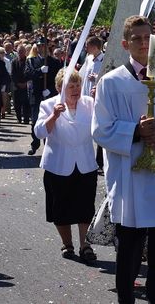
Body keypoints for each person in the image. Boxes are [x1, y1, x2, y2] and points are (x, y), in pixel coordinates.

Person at [92, 15, 155, 304]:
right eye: (136, 38)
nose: (142, 42)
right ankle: (126, 298)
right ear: (125, 43)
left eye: (147, 37)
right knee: (129, 250)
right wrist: (135, 132)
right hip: (130, 179)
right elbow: (100, 129)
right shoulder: (111, 83)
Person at [34, 68, 98, 263]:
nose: (76, 89)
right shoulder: (48, 104)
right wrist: (53, 116)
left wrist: (101, 98)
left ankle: (85, 245)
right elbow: (39, 132)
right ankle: (67, 243)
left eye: (78, 85)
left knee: (85, 207)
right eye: (71, 86)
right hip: (58, 165)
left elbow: (103, 121)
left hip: (86, 163)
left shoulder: (89, 103)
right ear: (59, 88)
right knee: (60, 207)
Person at [24, 37, 62, 155]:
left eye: (43, 46)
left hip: (49, 95)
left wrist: (50, 90)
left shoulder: (55, 62)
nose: (41, 48)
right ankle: (35, 144)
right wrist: (40, 71)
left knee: (49, 120)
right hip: (36, 95)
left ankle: (48, 146)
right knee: (35, 121)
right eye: (39, 46)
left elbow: (59, 79)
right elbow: (27, 74)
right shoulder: (31, 61)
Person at [11, 44, 30, 124]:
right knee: (17, 103)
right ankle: (19, 118)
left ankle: (26, 119)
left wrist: (26, 83)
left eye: (22, 51)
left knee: (26, 103)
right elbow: (13, 74)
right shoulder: (14, 61)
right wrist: (18, 83)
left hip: (26, 85)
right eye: (19, 52)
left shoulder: (28, 61)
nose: (20, 53)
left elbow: (30, 73)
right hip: (17, 86)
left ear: (25, 52)